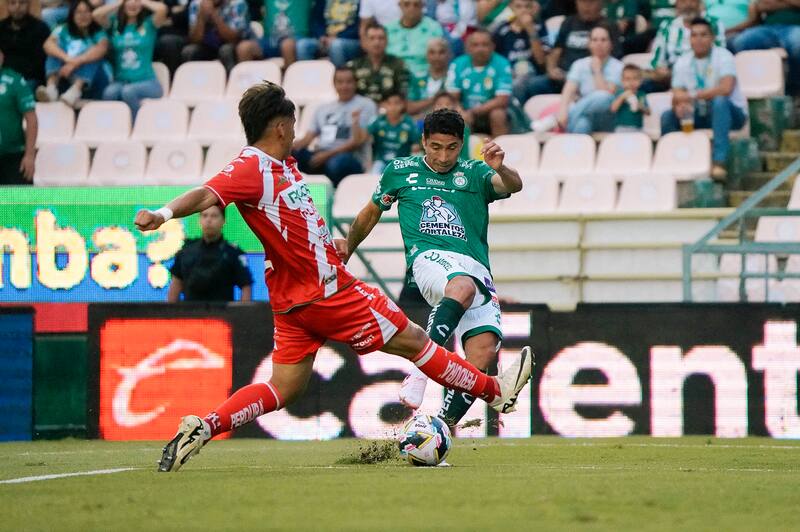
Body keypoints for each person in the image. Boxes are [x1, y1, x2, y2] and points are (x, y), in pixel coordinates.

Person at [133, 81, 533, 472]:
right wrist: (163, 215)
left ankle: (204, 426)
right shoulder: (252, 167)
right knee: (415, 341)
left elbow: (292, 224)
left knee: (284, 388)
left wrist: (331, 243)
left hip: (293, 303)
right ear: (282, 127)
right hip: (328, 292)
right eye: (292, 123)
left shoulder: (283, 167)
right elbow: (208, 193)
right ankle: (497, 392)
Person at [344, 108, 525, 428]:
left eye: (452, 147)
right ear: (423, 141)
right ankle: (417, 374)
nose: (443, 156)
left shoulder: (475, 172)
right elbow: (370, 213)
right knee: (462, 287)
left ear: (462, 144)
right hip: (428, 257)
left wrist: (502, 168)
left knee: (481, 355)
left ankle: (437, 430)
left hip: (477, 267)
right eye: (436, 147)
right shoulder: (400, 170)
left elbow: (513, 185)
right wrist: (348, 248)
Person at [661, 17, 748, 180]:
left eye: (703, 35)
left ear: (712, 38)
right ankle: (670, 163)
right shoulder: (683, 61)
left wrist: (691, 96)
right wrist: (678, 106)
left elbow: (726, 89)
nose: (698, 39)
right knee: (668, 116)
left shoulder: (724, 56)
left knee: (719, 102)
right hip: (699, 113)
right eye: (694, 35)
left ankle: (719, 161)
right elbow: (677, 95)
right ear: (689, 39)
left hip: (731, 114)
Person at [512, 0, 620, 104]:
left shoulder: (609, 26)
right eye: (582, 1)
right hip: (562, 76)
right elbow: (556, 51)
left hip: (590, 77)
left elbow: (613, 58)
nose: (586, 6)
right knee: (530, 85)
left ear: (600, 3)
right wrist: (551, 69)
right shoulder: (569, 22)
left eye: (591, 1)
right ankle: (524, 122)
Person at [291, 66, 377, 186]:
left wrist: (327, 155)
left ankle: (333, 194)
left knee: (336, 164)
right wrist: (288, 147)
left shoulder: (366, 105)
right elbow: (307, 138)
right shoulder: (322, 108)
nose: (344, 86)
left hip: (349, 158)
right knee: (292, 155)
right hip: (321, 155)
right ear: (334, 84)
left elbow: (358, 141)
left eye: (349, 82)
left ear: (355, 83)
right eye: (340, 82)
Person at [541, 23, 623, 134]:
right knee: (581, 124)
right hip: (585, 114)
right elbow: (569, 90)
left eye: (603, 40)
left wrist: (597, 71)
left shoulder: (618, 66)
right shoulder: (579, 64)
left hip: (608, 116)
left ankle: (554, 120)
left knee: (603, 96)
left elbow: (607, 97)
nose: (599, 43)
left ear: (611, 44)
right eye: (595, 40)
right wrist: (563, 110)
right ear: (589, 44)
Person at [93, 0, 167, 117]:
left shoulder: (149, 24)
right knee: (109, 93)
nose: (132, 4)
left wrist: (140, 1)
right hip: (121, 81)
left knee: (128, 91)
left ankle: (136, 125)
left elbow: (162, 9)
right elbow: (96, 14)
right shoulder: (114, 24)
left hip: (147, 82)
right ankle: (116, 128)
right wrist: (121, 2)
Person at [168, 205, 253, 302]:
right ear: (199, 220)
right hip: (191, 314)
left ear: (223, 221)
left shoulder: (232, 253)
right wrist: (172, 314)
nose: (209, 220)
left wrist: (242, 314)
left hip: (222, 315)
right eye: (205, 215)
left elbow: (246, 286)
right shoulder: (186, 251)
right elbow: (176, 284)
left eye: (214, 216)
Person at [37, 0, 111, 107]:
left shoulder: (98, 32)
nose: (83, 16)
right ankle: (51, 90)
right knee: (54, 51)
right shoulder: (63, 29)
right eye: (79, 12)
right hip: (67, 74)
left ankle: (75, 91)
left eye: (86, 12)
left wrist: (76, 62)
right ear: (72, 14)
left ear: (91, 13)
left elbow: (102, 49)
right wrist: (67, 59)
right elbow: (47, 45)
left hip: (95, 78)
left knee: (92, 54)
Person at [446, 28, 514, 136]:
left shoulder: (502, 63)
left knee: (498, 114)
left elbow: (502, 100)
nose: (480, 49)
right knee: (451, 112)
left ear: (493, 47)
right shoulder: (457, 64)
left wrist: (473, 112)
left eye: (485, 44)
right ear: (468, 47)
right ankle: (462, 152)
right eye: (475, 45)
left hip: (489, 112)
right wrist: (461, 112)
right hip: (465, 111)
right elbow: (452, 97)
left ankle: (498, 150)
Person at [649, 0, 725, 91]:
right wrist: (660, 70)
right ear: (677, 4)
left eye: (692, 1)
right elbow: (657, 60)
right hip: (670, 77)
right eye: (683, 1)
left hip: (705, 75)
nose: (688, 5)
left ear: (700, 3)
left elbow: (720, 55)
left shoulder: (714, 23)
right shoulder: (667, 25)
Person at [730, 1, 800, 96]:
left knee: (797, 43)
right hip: (767, 28)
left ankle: (795, 89)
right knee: (742, 42)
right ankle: (754, 92)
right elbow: (760, 7)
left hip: (794, 27)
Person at [346, 22, 409, 105]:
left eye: (381, 38)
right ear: (364, 42)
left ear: (387, 41)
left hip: (390, 112)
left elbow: (402, 95)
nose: (376, 42)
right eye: (372, 38)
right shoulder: (353, 66)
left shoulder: (398, 64)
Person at [235, 0, 311, 67]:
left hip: (296, 39)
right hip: (269, 40)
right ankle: (249, 82)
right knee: (244, 48)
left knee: (287, 45)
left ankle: (291, 81)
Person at [0, 49, 37, 185]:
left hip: (13, 155)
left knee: (19, 205)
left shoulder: (15, 81)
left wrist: (29, 155)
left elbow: (31, 119)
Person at [184, 0, 252, 72]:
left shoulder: (238, 3)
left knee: (225, 50)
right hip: (206, 46)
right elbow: (194, 40)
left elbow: (233, 39)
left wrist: (213, 15)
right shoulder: (196, 4)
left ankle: (230, 81)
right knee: (189, 51)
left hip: (231, 44)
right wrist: (201, 17)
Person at [0, 0, 51, 91]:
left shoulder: (40, 28)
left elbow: (40, 63)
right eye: (13, 3)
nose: (17, 7)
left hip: (30, 78)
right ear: (8, 6)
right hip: (5, 77)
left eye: (22, 3)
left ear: (28, 5)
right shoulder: (2, 27)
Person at [385, 0, 445, 78]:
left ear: (422, 6)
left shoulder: (433, 28)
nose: (411, 8)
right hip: (391, 76)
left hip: (422, 76)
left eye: (416, 5)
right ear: (400, 5)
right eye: (407, 4)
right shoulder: (388, 29)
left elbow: (439, 58)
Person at [367, 91, 421, 174]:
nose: (393, 107)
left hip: (402, 163)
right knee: (374, 174)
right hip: (381, 161)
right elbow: (366, 139)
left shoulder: (409, 123)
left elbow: (416, 147)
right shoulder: (377, 121)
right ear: (383, 105)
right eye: (389, 103)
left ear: (402, 105)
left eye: (396, 103)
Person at [492, 0, 547, 80]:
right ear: (511, 8)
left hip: (533, 75)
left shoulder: (539, 27)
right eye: (518, 6)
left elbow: (541, 61)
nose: (523, 10)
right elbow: (494, 58)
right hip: (508, 74)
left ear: (532, 8)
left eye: (527, 6)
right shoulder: (502, 29)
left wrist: (531, 29)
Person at [296, 0, 361, 67]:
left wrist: (338, 36)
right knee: (303, 45)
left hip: (350, 40)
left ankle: (337, 76)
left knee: (336, 46)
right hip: (325, 39)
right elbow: (315, 20)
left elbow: (361, 26)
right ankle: (307, 76)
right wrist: (321, 35)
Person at [407, 38, 452, 116]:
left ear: (449, 55)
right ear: (426, 55)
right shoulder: (417, 77)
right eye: (432, 52)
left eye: (441, 52)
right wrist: (434, 99)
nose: (436, 56)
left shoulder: (453, 78)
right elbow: (409, 108)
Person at [611, 63, 649, 131]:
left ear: (640, 81)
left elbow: (648, 112)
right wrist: (622, 97)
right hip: (621, 128)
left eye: (635, 79)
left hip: (638, 128)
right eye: (627, 79)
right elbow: (613, 109)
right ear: (622, 81)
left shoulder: (641, 95)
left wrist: (640, 106)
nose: (631, 82)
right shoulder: (619, 93)